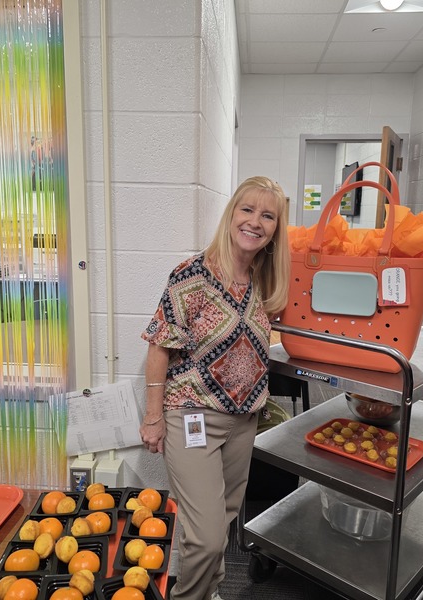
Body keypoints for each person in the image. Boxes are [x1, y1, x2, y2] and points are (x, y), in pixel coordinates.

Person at [140, 176, 290, 600]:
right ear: (231, 215)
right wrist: (153, 417)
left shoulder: (262, 280)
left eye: (268, 216)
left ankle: (208, 592)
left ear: (276, 229)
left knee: (222, 519)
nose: (255, 222)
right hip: (192, 415)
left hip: (243, 419)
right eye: (247, 210)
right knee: (204, 535)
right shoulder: (193, 275)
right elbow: (159, 346)